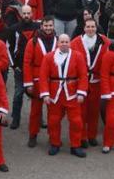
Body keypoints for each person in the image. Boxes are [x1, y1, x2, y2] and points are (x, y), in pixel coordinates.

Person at [38, 33, 88, 157]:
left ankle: (75, 145)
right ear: (58, 43)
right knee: (53, 121)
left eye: (66, 42)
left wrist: (81, 92)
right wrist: (45, 94)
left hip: (72, 94)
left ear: (70, 43)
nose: (64, 44)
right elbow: (43, 76)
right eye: (62, 42)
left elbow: (83, 75)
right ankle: (55, 143)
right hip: (55, 94)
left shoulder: (78, 56)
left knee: (76, 121)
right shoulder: (49, 57)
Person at [71, 20, 109, 148]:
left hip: (96, 81)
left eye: (93, 27)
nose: (91, 29)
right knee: (81, 112)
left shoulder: (105, 41)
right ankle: (82, 137)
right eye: (88, 27)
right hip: (81, 82)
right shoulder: (75, 42)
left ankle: (92, 135)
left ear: (96, 28)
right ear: (84, 28)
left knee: (94, 111)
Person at [23, 17, 56, 147]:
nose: (48, 28)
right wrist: (28, 83)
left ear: (53, 26)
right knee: (35, 110)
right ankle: (33, 134)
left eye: (50, 25)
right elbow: (27, 63)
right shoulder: (33, 42)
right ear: (41, 26)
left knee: (53, 111)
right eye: (46, 25)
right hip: (36, 79)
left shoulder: (58, 41)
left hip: (53, 80)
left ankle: (53, 135)